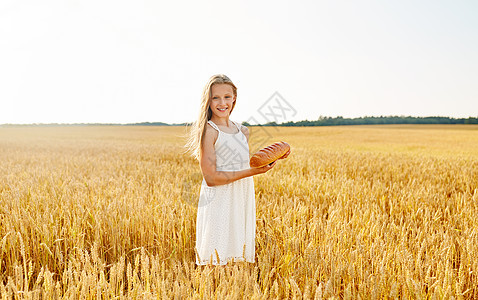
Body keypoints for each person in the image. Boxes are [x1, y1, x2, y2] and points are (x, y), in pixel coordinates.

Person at [184, 74, 290, 265]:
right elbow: (211, 178)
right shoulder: (209, 131)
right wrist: (254, 172)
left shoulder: (243, 131)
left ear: (234, 98)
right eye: (215, 97)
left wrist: (274, 156)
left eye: (227, 97)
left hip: (240, 196)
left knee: (237, 257)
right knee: (216, 257)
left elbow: (241, 165)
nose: (222, 102)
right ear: (208, 101)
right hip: (218, 199)